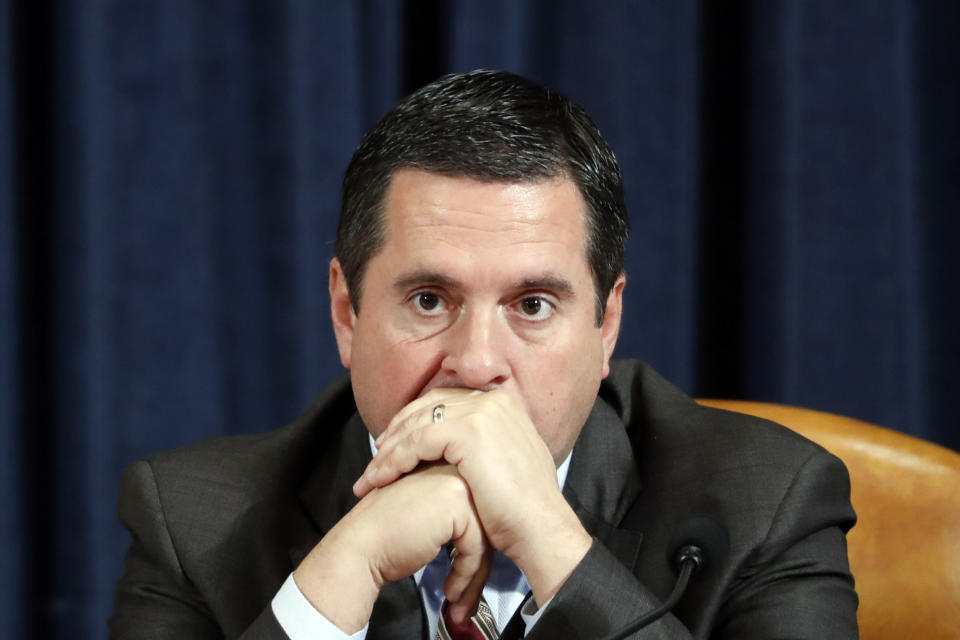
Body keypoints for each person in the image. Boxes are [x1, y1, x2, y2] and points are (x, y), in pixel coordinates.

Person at [110, 70, 858, 639]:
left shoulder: (768, 503)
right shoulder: (194, 521)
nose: (475, 363)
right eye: (429, 300)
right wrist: (343, 573)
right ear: (347, 312)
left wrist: (554, 543)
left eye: (532, 306)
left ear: (606, 326)